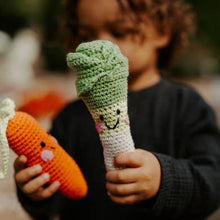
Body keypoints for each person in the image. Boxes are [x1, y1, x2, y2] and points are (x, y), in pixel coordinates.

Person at [14, 0, 220, 219]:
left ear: (162, 32)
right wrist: (37, 192)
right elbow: (56, 200)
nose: (101, 43)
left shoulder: (185, 105)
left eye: (119, 32)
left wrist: (165, 179)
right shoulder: (70, 117)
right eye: (87, 35)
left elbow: (213, 181)